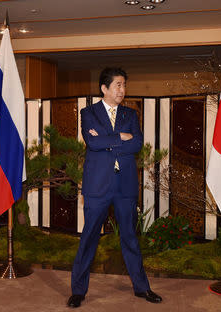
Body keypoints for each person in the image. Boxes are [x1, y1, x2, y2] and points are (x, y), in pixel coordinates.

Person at [67, 68, 162, 308]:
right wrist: (121, 137)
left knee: (130, 238)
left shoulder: (131, 114)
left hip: (125, 186)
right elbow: (92, 142)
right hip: (97, 186)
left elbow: (137, 144)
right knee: (89, 238)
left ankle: (142, 288)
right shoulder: (88, 113)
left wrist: (109, 140)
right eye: (118, 85)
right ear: (104, 88)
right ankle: (78, 291)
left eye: (124, 85)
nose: (122, 90)